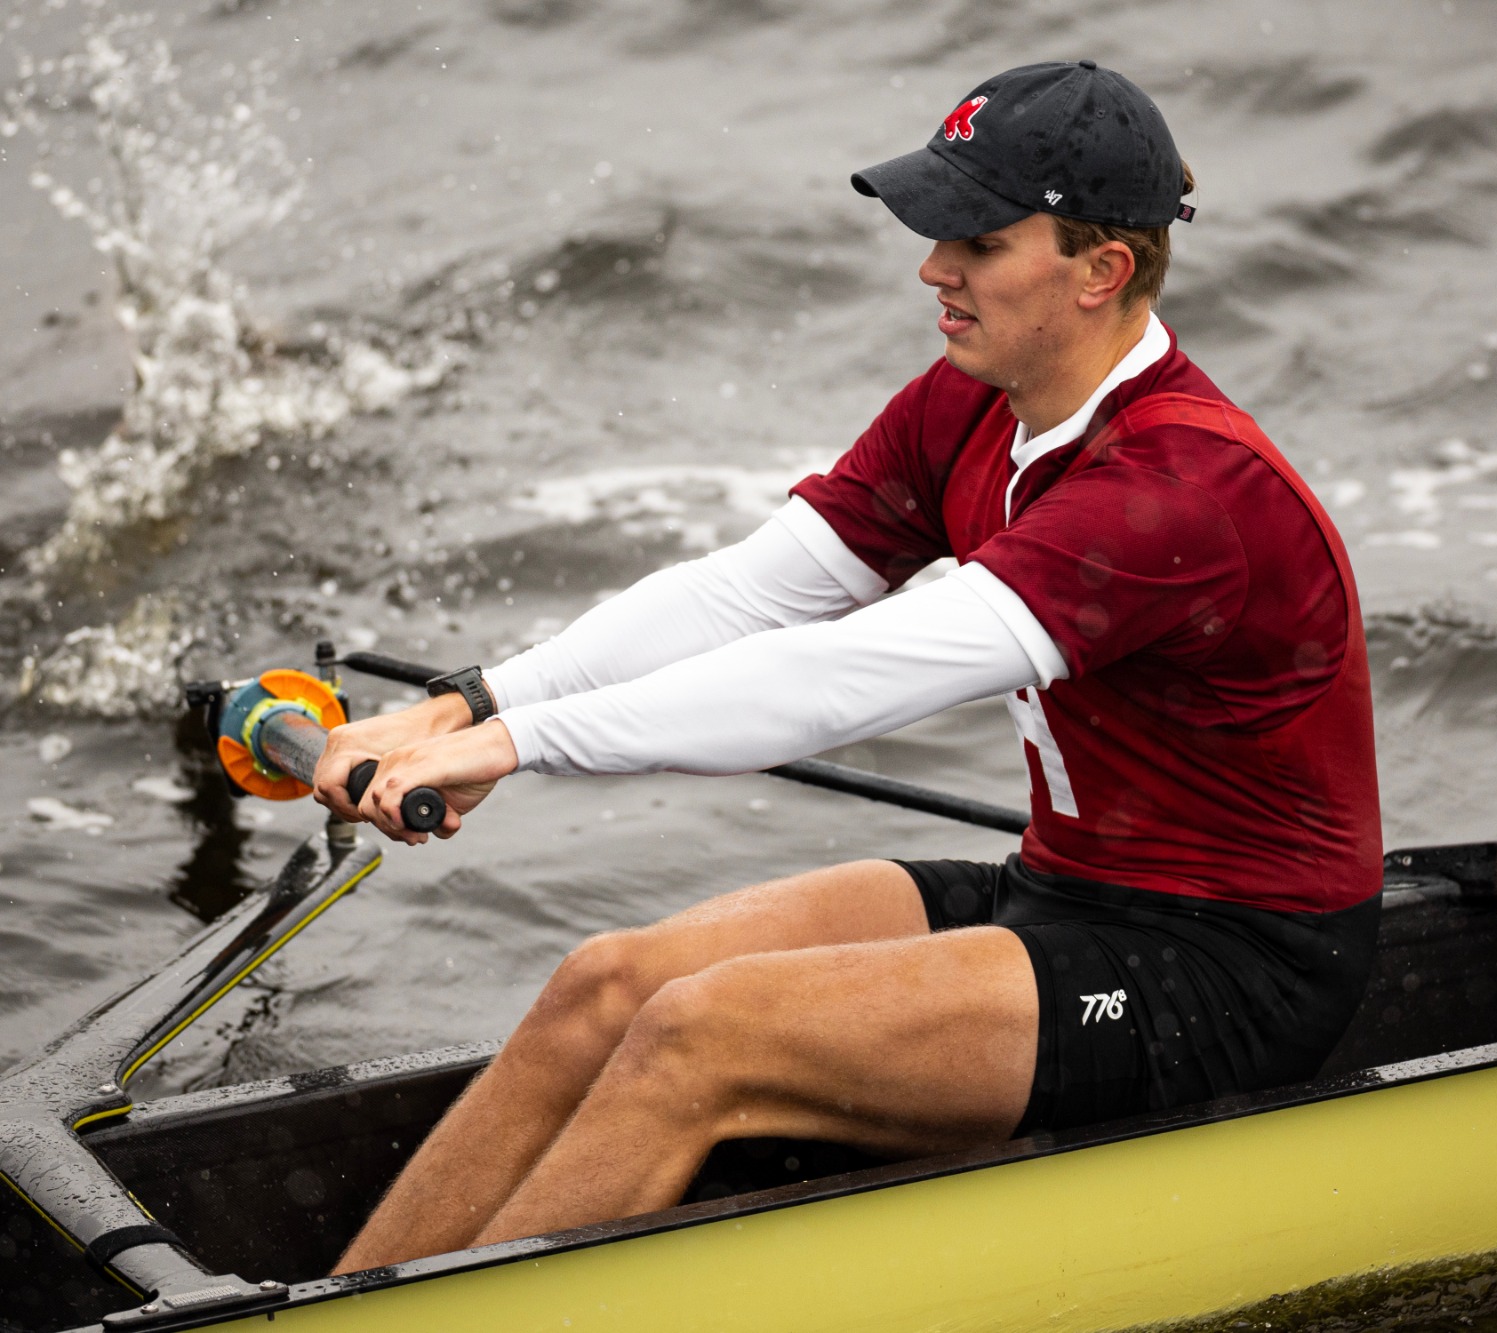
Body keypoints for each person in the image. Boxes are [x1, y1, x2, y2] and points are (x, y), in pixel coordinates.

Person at [315, 60, 1382, 1274]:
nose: (933, 268)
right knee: (603, 985)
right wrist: (470, 703)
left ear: (1101, 271)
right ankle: (338, 1301)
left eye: (976, 240)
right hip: (1063, 894)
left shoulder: (1181, 495)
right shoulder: (971, 405)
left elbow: (836, 681)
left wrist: (511, 751)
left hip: (1230, 970)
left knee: (696, 1036)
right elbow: (751, 593)